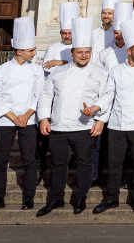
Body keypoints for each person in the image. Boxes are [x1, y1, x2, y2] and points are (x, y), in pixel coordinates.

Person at [36, 18, 108, 216]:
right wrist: (43, 118)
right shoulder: (58, 72)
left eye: (87, 52)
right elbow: (45, 95)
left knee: (84, 165)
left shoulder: (100, 72)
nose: (84, 56)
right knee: (58, 164)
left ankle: (80, 198)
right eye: (80, 52)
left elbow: (107, 97)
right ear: (72, 53)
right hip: (58, 126)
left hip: (84, 127)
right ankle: (57, 198)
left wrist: (101, 120)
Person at [93, 20, 134, 214]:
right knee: (114, 163)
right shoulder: (116, 71)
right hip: (117, 124)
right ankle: (111, 198)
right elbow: (108, 95)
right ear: (129, 51)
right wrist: (96, 107)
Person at [0, 17, 43, 214]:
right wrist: (14, 117)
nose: (35, 53)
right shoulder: (1, 70)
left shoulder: (37, 70)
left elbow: (39, 96)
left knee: (29, 160)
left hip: (28, 119)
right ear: (19, 52)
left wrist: (26, 115)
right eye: (31, 50)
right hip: (6, 119)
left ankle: (29, 197)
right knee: (1, 160)